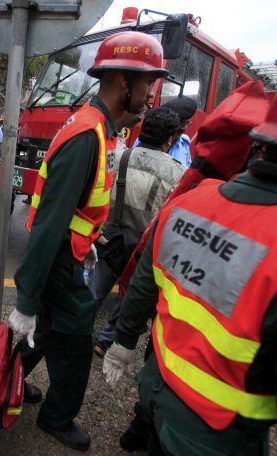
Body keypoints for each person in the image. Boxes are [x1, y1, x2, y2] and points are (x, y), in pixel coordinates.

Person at [103, 63, 277, 455]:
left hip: (156, 395)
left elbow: (145, 281)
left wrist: (124, 339)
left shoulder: (190, 203)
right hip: (216, 436)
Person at [8, 31, 169, 451]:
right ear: (123, 82)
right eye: (147, 84)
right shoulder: (88, 135)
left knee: (43, 330)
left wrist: (89, 237)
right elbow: (47, 225)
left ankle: (6, 383)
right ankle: (56, 416)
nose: (150, 94)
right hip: (60, 258)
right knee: (74, 341)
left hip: (72, 252)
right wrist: (25, 298)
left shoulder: (102, 130)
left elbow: (77, 207)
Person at [92, 107, 185, 357]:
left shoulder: (120, 155)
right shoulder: (178, 173)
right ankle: (106, 340)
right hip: (142, 248)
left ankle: (76, 330)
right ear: (169, 139)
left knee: (93, 293)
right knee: (128, 297)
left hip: (108, 239)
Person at [162, 96, 198, 167]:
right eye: (181, 122)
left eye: (187, 123)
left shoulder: (184, 142)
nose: (184, 128)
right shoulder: (150, 138)